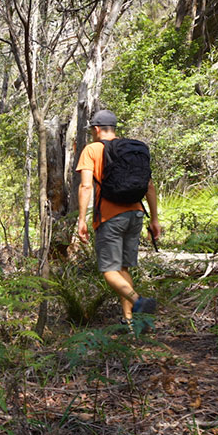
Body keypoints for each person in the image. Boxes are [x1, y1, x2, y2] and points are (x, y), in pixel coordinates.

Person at [76, 109, 162, 325]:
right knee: (123, 268)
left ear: (96, 130)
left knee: (109, 270)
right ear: (113, 128)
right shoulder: (131, 150)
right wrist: (154, 219)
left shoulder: (92, 149)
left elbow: (86, 186)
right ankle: (130, 322)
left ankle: (138, 301)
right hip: (136, 213)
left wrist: (81, 220)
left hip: (110, 216)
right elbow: (149, 186)